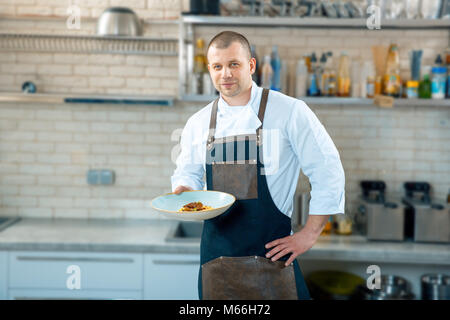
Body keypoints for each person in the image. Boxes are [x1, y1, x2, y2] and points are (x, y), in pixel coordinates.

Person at [171, 31, 345, 300]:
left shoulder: (289, 111)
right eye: (217, 66)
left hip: (272, 264)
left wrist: (309, 233)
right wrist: (184, 190)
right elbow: (188, 172)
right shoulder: (198, 122)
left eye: (234, 64)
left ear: (251, 65)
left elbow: (328, 170)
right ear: (209, 70)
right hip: (216, 265)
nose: (225, 74)